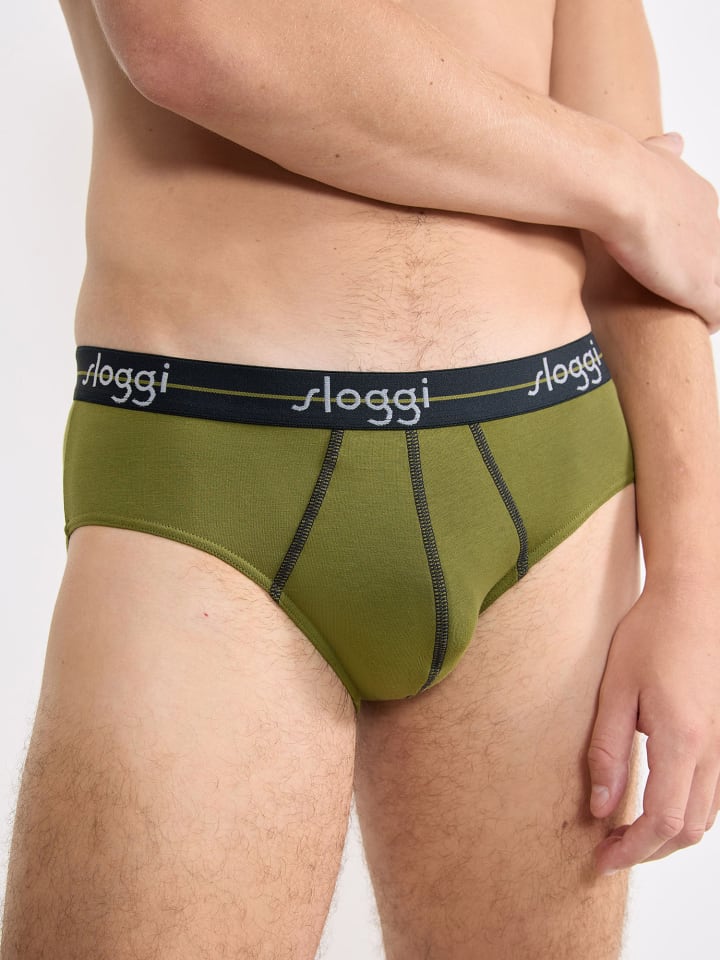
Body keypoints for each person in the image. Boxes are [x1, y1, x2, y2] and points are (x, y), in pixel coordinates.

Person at [2, 0, 719, 958]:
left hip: (551, 486)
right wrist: (623, 181)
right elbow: (190, 34)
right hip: (215, 474)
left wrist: (696, 580)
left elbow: (651, 245)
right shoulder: (617, 181)